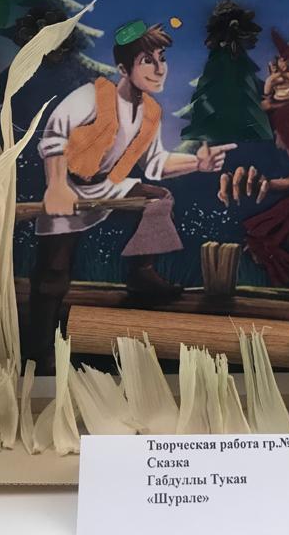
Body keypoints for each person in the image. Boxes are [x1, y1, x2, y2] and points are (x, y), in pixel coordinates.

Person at [28, 19, 234, 367]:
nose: (159, 69)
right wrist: (57, 186)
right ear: (123, 69)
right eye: (147, 61)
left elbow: (156, 163)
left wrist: (197, 164)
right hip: (69, 186)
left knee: (156, 198)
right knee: (53, 273)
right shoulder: (92, 96)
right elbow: (53, 137)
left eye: (161, 59)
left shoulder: (150, 112)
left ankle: (142, 274)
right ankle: (39, 348)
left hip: (108, 185)